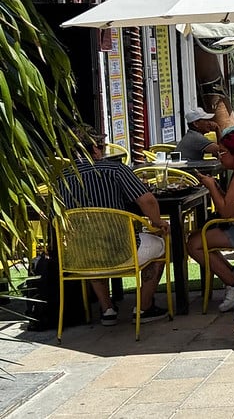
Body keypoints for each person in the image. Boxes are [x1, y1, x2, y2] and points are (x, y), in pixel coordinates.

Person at [57, 125, 170, 326]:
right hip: (121, 252)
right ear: (96, 149)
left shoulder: (61, 179)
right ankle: (144, 307)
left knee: (91, 244)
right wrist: (157, 222)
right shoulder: (115, 170)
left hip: (81, 258)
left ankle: (107, 309)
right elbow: (148, 201)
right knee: (162, 244)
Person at [186, 130, 234, 312]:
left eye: (222, 152)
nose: (219, 156)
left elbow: (226, 212)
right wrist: (216, 187)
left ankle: (233, 283)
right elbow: (232, 205)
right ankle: (232, 275)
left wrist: (211, 187)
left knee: (194, 244)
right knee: (196, 238)